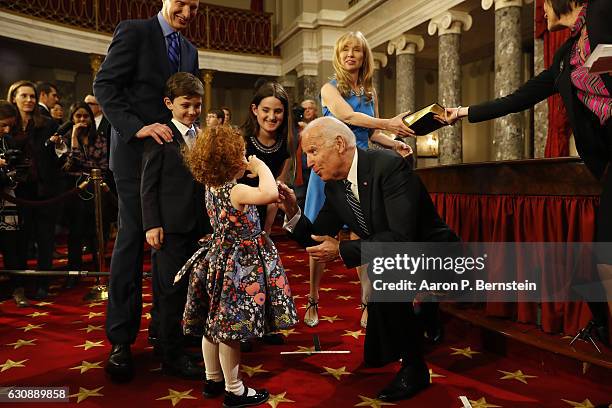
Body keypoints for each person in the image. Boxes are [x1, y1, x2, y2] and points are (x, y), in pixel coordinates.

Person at [444, 0, 611, 346]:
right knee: (601, 259)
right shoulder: (564, 56)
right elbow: (518, 98)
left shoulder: (602, 12)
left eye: (542, 4)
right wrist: (460, 112)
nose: (541, 13)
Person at [278, 116, 457, 402]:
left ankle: (415, 369)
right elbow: (317, 238)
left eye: (313, 152)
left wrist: (342, 250)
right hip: (392, 253)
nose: (309, 163)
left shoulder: (389, 166)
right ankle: (424, 314)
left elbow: (402, 238)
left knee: (390, 276)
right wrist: (291, 211)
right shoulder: (334, 185)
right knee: (376, 350)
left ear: (338, 144)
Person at [93, 0, 200, 382]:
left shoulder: (190, 50)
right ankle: (121, 340)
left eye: (195, 6)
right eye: (182, 3)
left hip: (174, 169)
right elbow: (105, 85)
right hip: (134, 161)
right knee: (131, 243)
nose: (187, 12)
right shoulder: (134, 31)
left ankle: (164, 331)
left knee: (172, 248)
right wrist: (136, 127)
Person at [175, 125, 297, 407]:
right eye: (241, 154)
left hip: (218, 256)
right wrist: (262, 165)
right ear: (231, 160)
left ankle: (212, 378)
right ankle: (235, 389)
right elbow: (268, 194)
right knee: (230, 328)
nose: (245, 158)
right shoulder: (236, 190)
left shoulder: (211, 185)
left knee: (212, 324)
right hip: (239, 265)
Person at [304, 31, 414, 328]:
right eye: (345, 51)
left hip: (360, 171)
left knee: (363, 237)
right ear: (338, 56)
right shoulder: (329, 89)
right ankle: (313, 297)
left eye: (357, 51)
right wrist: (389, 123)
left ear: (365, 57)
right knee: (319, 235)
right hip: (328, 170)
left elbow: (372, 133)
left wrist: (394, 143)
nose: (351, 55)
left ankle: (366, 302)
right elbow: (349, 117)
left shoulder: (369, 92)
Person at [141, 72, 208, 379]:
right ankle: (171, 356)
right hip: (168, 227)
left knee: (190, 291)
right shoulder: (162, 135)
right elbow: (148, 185)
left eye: (197, 105)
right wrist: (152, 224)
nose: (192, 111)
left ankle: (176, 342)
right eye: (186, 105)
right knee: (170, 292)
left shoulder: (200, 132)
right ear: (169, 103)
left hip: (196, 226)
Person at [7, 80, 61, 300]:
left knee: (45, 240)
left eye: (32, 96)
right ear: (13, 99)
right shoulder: (8, 125)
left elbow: (60, 156)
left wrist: (60, 145)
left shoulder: (48, 124)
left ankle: (43, 285)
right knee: (20, 241)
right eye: (24, 96)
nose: (29, 100)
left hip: (45, 191)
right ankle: (18, 285)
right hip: (18, 193)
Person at [59, 102, 109, 287]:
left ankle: (99, 273)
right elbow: (69, 165)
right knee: (76, 234)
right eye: (78, 116)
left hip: (96, 191)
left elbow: (102, 167)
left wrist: (82, 169)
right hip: (74, 192)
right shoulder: (64, 139)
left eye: (85, 116)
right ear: (72, 118)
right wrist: (73, 138)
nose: (82, 120)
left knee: (97, 233)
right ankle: (74, 274)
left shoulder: (100, 139)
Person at [240, 81, 293, 235]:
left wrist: (267, 230)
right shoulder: (241, 140)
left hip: (266, 211)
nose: (271, 117)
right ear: (255, 109)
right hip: (238, 210)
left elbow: (276, 193)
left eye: (278, 111)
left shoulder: (286, 145)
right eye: (266, 110)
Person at [0, 100, 29, 307]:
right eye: (2, 125)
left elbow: (18, 166)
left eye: (9, 125)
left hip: (8, 199)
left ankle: (18, 288)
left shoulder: (8, 140)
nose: (6, 129)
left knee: (12, 247)